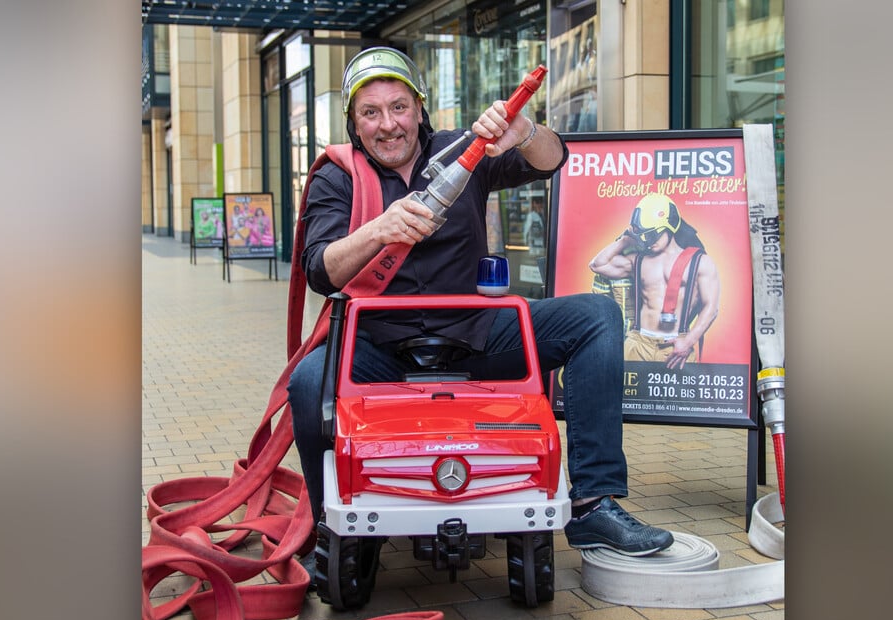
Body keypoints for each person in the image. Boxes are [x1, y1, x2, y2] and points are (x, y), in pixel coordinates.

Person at [287, 47, 673, 562]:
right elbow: (320, 269)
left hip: (479, 336)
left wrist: (525, 134)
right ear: (353, 123)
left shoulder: (462, 151)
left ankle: (592, 505)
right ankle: (329, 532)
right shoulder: (337, 175)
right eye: (371, 113)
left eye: (399, 107)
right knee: (309, 382)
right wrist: (378, 229)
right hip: (380, 350)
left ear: (420, 109)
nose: (388, 125)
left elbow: (554, 161)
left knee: (597, 318)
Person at [588, 193, 721, 370]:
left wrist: (689, 341)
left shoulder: (699, 262)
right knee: (625, 396)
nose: (648, 242)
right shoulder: (639, 261)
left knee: (678, 397)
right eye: (644, 236)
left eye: (653, 235)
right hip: (638, 343)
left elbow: (711, 307)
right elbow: (598, 265)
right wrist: (627, 239)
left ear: (670, 226)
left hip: (675, 346)